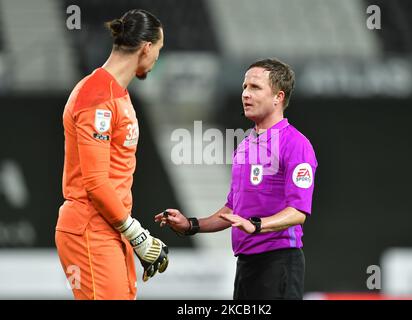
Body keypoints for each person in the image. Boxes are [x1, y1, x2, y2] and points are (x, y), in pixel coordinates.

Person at [155, 58, 318, 300]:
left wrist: (258, 225)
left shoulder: (296, 144)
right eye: (244, 87)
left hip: (279, 262)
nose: (246, 94)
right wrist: (191, 225)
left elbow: (298, 212)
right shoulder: (244, 145)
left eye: (255, 87)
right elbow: (233, 209)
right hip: (245, 265)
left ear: (278, 97)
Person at [55, 9, 168, 300]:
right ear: (146, 48)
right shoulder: (97, 97)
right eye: (158, 49)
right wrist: (137, 234)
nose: (157, 58)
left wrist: (129, 233)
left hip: (110, 228)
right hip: (90, 229)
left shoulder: (116, 93)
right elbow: (95, 182)